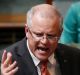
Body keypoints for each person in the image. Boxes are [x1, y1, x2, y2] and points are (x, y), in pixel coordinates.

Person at [0, 4, 80, 75]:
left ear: (60, 33)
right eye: (38, 35)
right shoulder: (5, 62)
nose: (44, 41)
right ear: (27, 31)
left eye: (50, 35)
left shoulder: (75, 57)